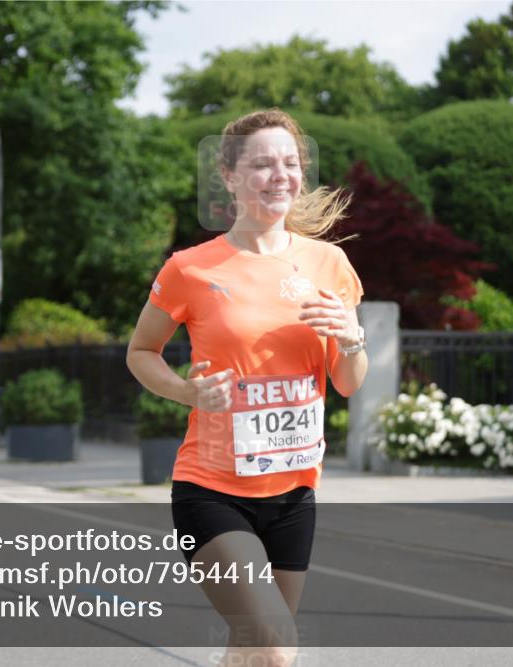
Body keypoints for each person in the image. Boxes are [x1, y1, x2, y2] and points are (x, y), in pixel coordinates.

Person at [125, 108, 367, 667]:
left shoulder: (329, 264)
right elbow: (141, 352)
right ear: (230, 177)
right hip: (211, 490)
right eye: (261, 164)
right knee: (277, 644)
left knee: (252, 654)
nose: (279, 174)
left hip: (294, 493)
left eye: (289, 162)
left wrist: (352, 339)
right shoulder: (191, 268)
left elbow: (347, 383)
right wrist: (186, 392)